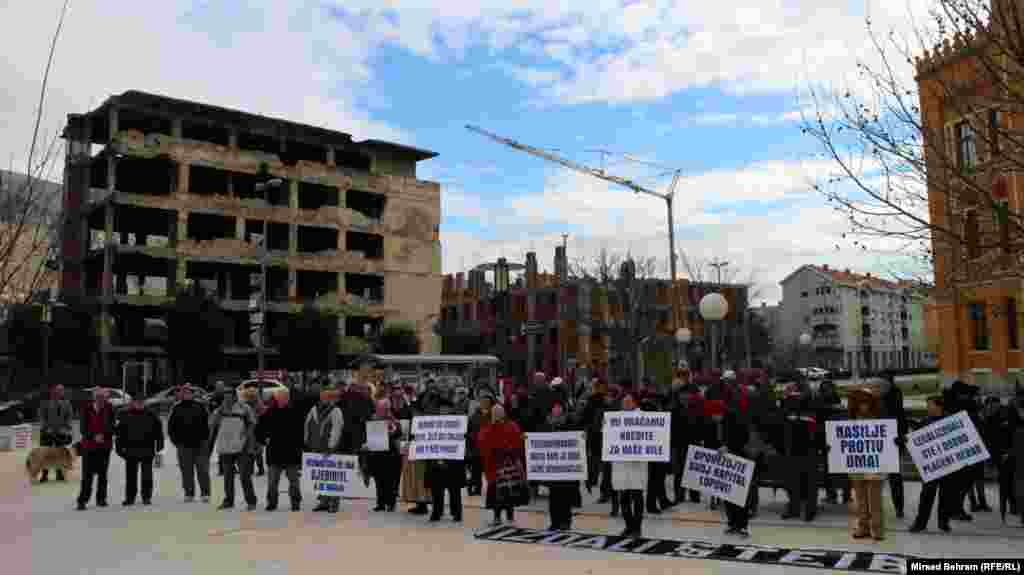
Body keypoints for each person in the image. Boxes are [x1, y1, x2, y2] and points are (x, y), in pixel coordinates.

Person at [847, 381, 890, 541]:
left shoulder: (880, 418)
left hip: (875, 464)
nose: (863, 406)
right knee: (860, 499)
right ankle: (863, 527)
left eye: (866, 403)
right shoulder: (851, 420)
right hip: (857, 464)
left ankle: (877, 530)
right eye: (860, 403)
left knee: (875, 499)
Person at [909, 396, 953, 533]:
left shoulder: (951, 420)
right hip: (931, 465)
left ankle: (943, 522)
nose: (927, 407)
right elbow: (915, 436)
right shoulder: (925, 421)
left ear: (938, 406)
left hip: (947, 463)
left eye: (930, 405)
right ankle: (920, 523)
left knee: (946, 495)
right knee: (927, 495)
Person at [210, 387, 259, 511]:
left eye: (229, 395)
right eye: (225, 396)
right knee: (228, 476)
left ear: (234, 396)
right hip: (226, 448)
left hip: (241, 447)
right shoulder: (219, 410)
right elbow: (212, 425)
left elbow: (252, 423)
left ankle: (251, 500)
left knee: (244, 476)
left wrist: (248, 440)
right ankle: (229, 500)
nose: (227, 398)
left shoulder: (244, 408)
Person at [257, 389, 305, 512]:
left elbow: (302, 432)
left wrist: (300, 446)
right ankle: (272, 502)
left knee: (294, 481)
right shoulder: (269, 412)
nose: (283, 399)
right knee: (272, 482)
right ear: (276, 399)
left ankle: (295, 502)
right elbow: (258, 429)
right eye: (280, 397)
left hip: (291, 453)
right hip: (274, 453)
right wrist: (263, 440)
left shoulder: (296, 412)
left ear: (288, 398)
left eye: (285, 397)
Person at [538, 400, 582, 531]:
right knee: (553, 496)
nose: (557, 410)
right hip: (552, 467)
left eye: (559, 407)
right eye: (554, 407)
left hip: (566, 468)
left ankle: (566, 522)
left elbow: (577, 438)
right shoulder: (546, 424)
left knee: (565, 496)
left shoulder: (570, 423)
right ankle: (554, 522)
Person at [115, 395, 164, 506]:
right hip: (130, 450)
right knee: (131, 476)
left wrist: (159, 446)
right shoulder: (125, 414)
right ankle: (130, 497)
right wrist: (119, 448)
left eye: (141, 402)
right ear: (132, 403)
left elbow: (159, 432)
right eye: (137, 402)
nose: (139, 404)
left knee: (147, 476)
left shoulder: (152, 414)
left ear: (144, 403)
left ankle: (146, 497)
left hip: (147, 449)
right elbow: (119, 433)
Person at [479, 403, 524, 526]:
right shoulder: (488, 428)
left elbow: (518, 442)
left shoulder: (512, 426)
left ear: (504, 413)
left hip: (509, 466)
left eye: (500, 412)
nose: (498, 415)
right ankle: (497, 517)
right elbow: (483, 443)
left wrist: (510, 451)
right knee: (495, 494)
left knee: (510, 493)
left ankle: (510, 516)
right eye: (495, 413)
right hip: (494, 466)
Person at [426, 388, 465, 523]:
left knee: (454, 489)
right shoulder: (432, 423)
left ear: (450, 409)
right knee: (437, 489)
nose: (443, 410)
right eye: (441, 408)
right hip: (436, 460)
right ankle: (436, 512)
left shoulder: (458, 422)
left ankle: (457, 513)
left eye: (446, 408)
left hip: (453, 461)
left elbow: (463, 439)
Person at [717, 392, 753, 537]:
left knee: (737, 493)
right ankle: (734, 523)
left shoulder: (737, 416)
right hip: (728, 456)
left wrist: (728, 446)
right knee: (729, 493)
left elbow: (742, 438)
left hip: (737, 457)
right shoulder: (728, 416)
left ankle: (740, 524)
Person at [168, 385, 212, 503]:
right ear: (181, 394)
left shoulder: (200, 407)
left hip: (200, 444)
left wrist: (206, 439)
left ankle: (205, 493)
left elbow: (207, 425)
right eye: (185, 393)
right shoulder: (176, 408)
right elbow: (171, 427)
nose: (187, 394)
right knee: (186, 471)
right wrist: (176, 441)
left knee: (202, 470)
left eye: (189, 393)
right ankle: (189, 493)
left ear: (193, 394)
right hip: (183, 445)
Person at [612, 391, 648, 537]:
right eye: (623, 402)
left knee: (637, 496)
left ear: (635, 403)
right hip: (621, 463)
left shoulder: (643, 417)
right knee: (623, 496)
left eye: (628, 402)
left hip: (637, 463)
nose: (625, 404)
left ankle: (637, 528)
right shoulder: (616, 418)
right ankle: (629, 526)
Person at [305, 385, 344, 513]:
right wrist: (307, 441)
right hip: (316, 447)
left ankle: (333, 503)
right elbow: (307, 424)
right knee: (320, 477)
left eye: (327, 396)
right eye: (322, 396)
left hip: (329, 448)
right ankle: (323, 501)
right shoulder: (314, 409)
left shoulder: (336, 410)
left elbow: (337, 429)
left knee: (332, 477)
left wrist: (331, 446)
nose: (324, 398)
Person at [76, 387, 116, 511]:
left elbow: (112, 425)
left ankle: (101, 499)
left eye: (103, 397)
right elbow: (83, 427)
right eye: (98, 397)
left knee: (103, 475)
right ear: (94, 398)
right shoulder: (86, 409)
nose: (100, 400)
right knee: (87, 476)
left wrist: (104, 435)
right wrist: (93, 436)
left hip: (105, 446)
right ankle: (82, 500)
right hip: (89, 447)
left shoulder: (110, 409)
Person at [367, 398, 403, 512]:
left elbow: (399, 434)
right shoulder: (374, 419)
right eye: (379, 408)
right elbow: (369, 435)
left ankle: (391, 503)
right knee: (379, 480)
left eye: (384, 408)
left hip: (391, 456)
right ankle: (380, 503)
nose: (381, 410)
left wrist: (390, 432)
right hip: (377, 455)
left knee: (391, 481)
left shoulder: (394, 421)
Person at [879, 373, 907, 518]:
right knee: (891, 478)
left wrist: (900, 439)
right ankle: (897, 508)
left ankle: (898, 507)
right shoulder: (877, 397)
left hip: (890, 441)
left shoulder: (892, 400)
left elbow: (901, 421)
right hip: (881, 440)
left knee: (894, 477)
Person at [39, 383, 73, 482]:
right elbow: (41, 416)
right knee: (46, 454)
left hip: (60, 433)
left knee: (60, 454)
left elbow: (69, 417)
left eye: (61, 391)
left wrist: (66, 428)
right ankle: (44, 475)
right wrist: (45, 427)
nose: (59, 392)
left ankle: (60, 474)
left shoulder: (67, 403)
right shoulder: (45, 402)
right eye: (57, 390)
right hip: (47, 433)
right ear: (53, 391)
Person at [467, 393, 495, 496]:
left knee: (491, 470)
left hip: (490, 447)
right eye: (483, 401)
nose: (485, 403)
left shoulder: (494, 414)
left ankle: (492, 489)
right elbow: (469, 429)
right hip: (476, 447)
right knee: (476, 470)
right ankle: (477, 488)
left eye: (487, 402)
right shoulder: (474, 416)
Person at [241, 383, 267, 476]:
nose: (251, 398)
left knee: (256, 451)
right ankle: (253, 469)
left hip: (257, 431)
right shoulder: (246, 405)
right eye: (249, 396)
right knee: (251, 451)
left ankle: (259, 469)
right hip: (250, 430)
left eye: (252, 396)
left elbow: (263, 418)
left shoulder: (258, 406)